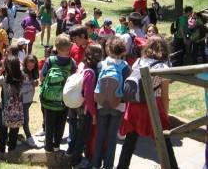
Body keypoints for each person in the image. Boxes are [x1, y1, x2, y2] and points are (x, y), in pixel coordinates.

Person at [116, 36, 178, 169]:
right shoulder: (163, 67)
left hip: (135, 105)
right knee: (164, 141)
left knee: (130, 140)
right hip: (153, 106)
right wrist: (165, 116)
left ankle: (122, 166)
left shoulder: (138, 61)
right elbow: (165, 96)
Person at [93, 37, 130, 169]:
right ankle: (108, 165)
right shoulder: (125, 67)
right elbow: (126, 89)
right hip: (117, 104)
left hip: (101, 103)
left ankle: (95, 164)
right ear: (123, 51)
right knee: (112, 136)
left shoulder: (101, 64)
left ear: (109, 49)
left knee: (100, 134)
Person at [40, 34, 76, 152]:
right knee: (60, 123)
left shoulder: (50, 60)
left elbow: (42, 77)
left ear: (56, 46)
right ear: (69, 48)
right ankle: (56, 145)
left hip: (49, 100)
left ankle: (48, 147)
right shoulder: (72, 63)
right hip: (64, 100)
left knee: (49, 123)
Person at [71, 45, 102, 169]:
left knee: (80, 134)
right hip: (86, 109)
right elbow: (89, 96)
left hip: (79, 106)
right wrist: (93, 114)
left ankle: (77, 157)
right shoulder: (91, 72)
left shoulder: (82, 65)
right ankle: (76, 161)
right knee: (83, 136)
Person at [0, 56, 24, 154]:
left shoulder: (4, 78)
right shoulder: (22, 77)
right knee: (14, 130)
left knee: (3, 130)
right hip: (17, 108)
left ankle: (1, 150)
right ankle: (12, 149)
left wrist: (0, 70)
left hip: (4, 108)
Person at [21, 55, 39, 147]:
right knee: (25, 119)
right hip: (23, 100)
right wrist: (31, 84)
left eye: (33, 66)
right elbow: (20, 88)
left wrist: (34, 83)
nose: (31, 68)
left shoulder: (33, 72)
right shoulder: (21, 72)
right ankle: (29, 137)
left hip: (29, 99)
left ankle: (16, 136)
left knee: (22, 118)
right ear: (25, 63)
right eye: (29, 66)